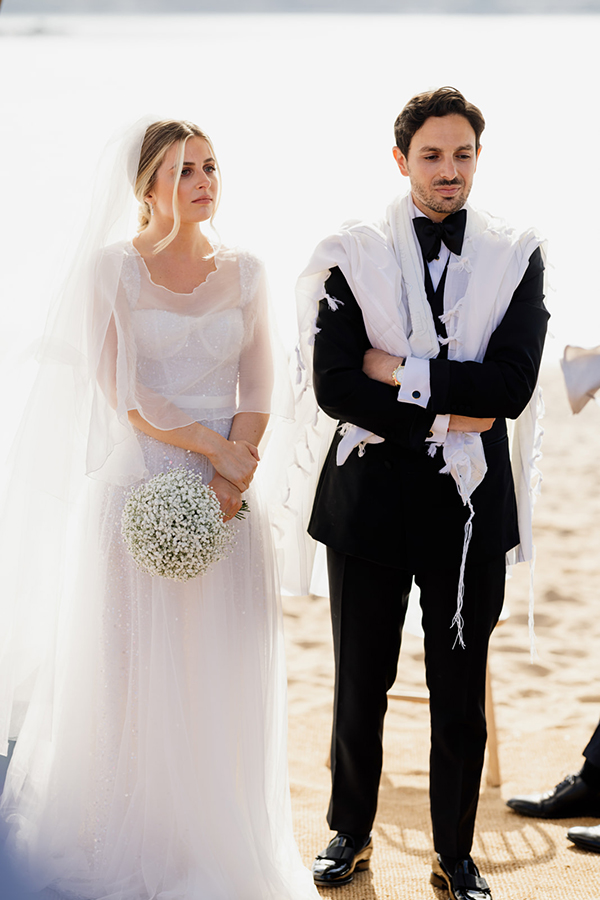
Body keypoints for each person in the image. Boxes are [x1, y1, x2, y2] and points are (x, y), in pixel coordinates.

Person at [0, 119, 318, 900]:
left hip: (224, 502)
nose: (205, 181)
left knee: (216, 671)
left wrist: (231, 486)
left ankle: (212, 839)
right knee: (134, 675)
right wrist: (212, 451)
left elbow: (259, 380)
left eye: (211, 167)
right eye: (184, 171)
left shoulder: (247, 270)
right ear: (147, 187)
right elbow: (124, 394)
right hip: (136, 486)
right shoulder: (112, 269)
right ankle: (130, 835)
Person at [291, 87, 549, 900]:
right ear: (399, 160)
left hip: (468, 513)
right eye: (432, 155)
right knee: (359, 679)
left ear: (479, 157)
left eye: (463, 154)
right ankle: (349, 834)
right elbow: (335, 383)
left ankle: (455, 854)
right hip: (367, 499)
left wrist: (399, 372)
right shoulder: (350, 250)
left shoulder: (519, 254)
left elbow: (508, 387)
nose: (449, 170)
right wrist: (441, 418)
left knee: (459, 688)